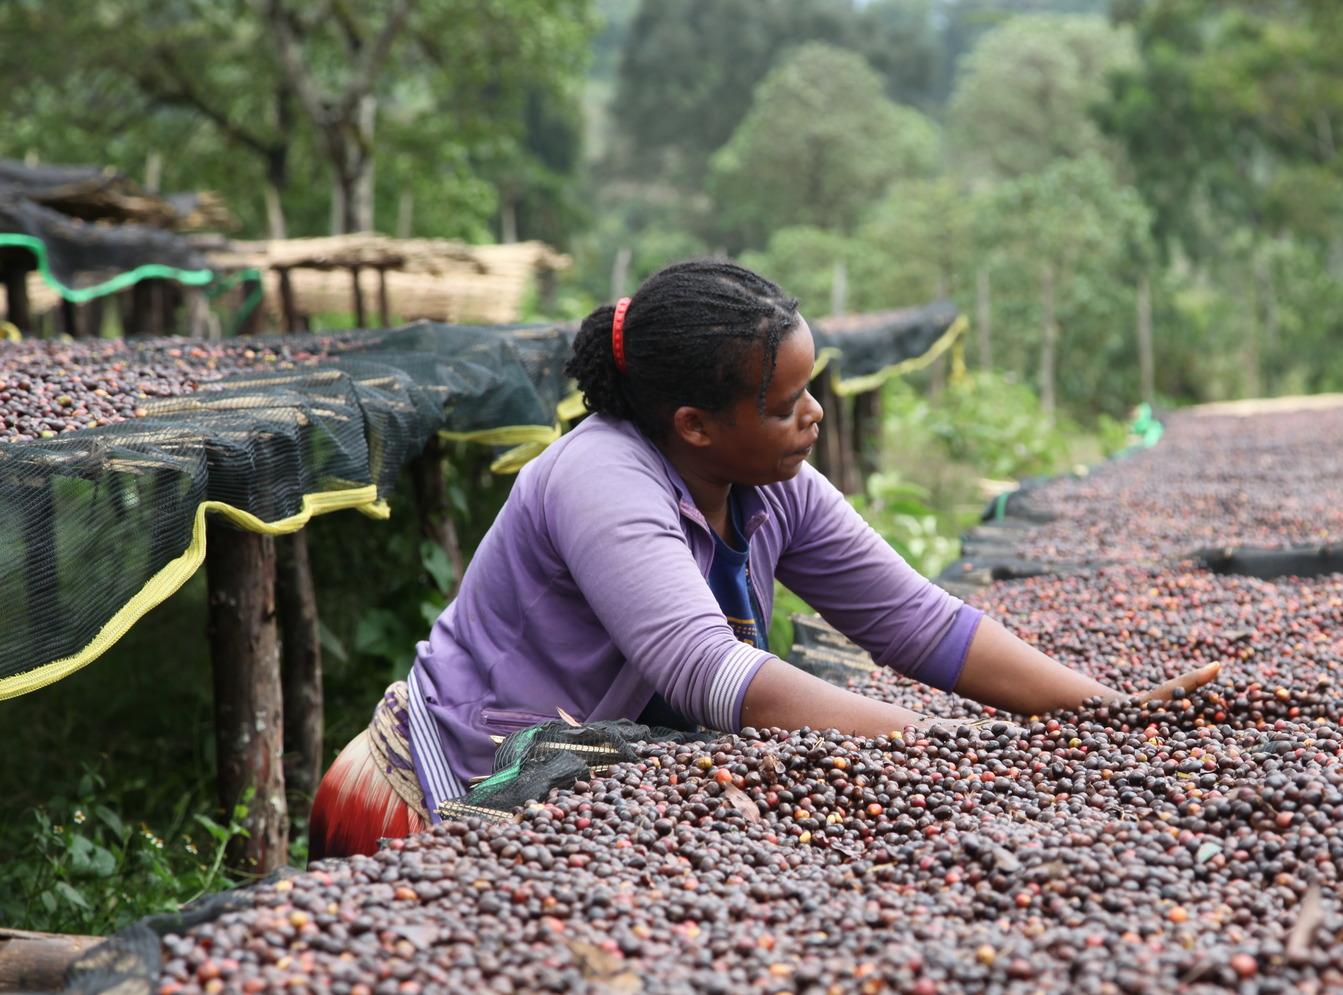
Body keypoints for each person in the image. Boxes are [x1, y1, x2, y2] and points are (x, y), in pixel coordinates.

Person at [309, 259, 1217, 859]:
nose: (815, 414)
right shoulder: (601, 479)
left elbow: (918, 623)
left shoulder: (771, 481)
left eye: (811, 389)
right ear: (695, 426)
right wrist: (950, 750)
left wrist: (1103, 717)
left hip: (575, 797)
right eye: (787, 404)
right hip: (438, 805)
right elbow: (712, 674)